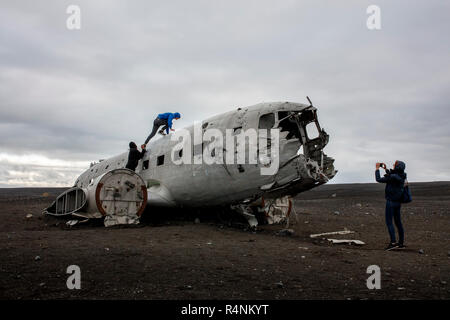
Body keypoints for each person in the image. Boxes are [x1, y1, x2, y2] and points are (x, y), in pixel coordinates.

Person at [375, 160, 407, 251]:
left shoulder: (393, 177)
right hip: (398, 202)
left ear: (397, 167)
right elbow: (393, 176)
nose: (393, 165)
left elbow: (378, 179)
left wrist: (377, 169)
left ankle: (393, 243)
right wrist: (386, 169)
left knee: (389, 222)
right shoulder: (402, 175)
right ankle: (400, 243)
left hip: (391, 202)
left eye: (395, 164)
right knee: (398, 223)